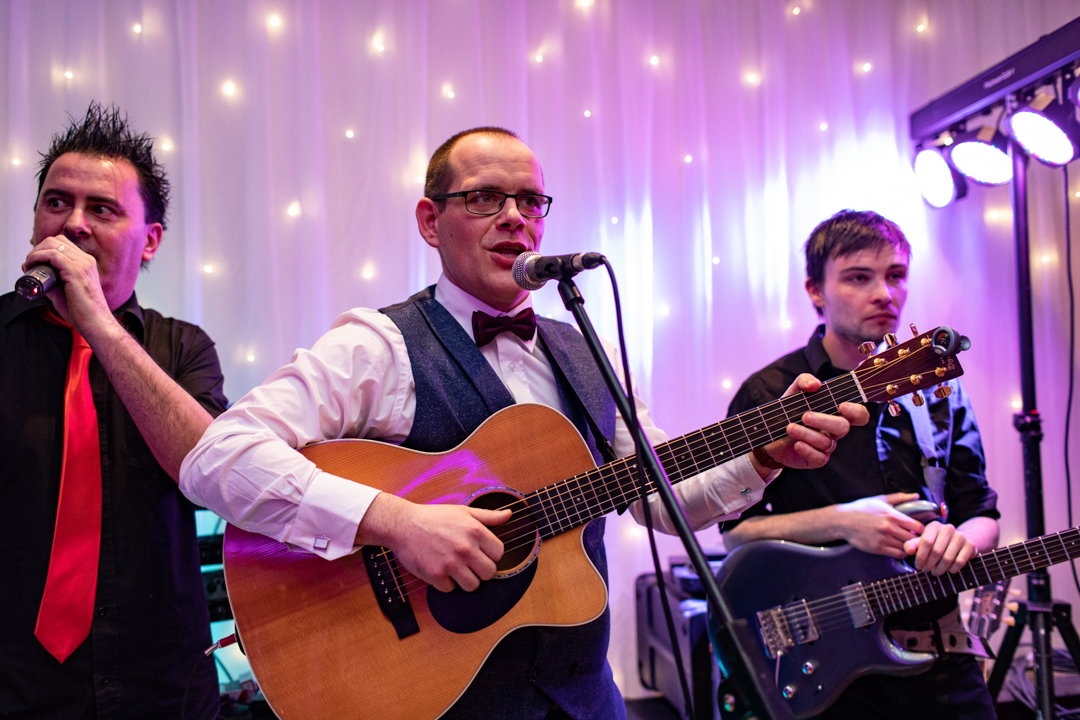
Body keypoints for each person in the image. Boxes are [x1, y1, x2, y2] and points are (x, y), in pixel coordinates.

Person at [180, 127, 866, 720]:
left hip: (587, 698)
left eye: (530, 201)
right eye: (484, 198)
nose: (514, 217)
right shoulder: (377, 346)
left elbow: (663, 497)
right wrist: (399, 523)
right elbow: (218, 455)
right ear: (430, 221)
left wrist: (762, 457)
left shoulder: (585, 349)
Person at [723, 209, 1000, 719]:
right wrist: (844, 522)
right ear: (816, 291)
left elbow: (982, 514)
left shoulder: (936, 385)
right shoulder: (770, 392)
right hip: (826, 667)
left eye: (896, 275)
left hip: (941, 658)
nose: (884, 294)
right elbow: (736, 535)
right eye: (858, 277)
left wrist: (960, 540)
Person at [0, 103, 227, 719]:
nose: (73, 224)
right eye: (56, 203)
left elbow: (206, 470)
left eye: (101, 209)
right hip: (18, 687)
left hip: (163, 690)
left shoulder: (184, 349)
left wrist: (97, 323)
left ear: (150, 240)